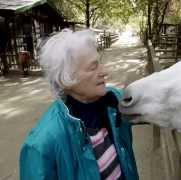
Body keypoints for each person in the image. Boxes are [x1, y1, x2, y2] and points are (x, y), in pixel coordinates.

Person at [19, 29, 139, 180]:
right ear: (66, 79)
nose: (105, 71)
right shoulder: (41, 146)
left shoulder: (114, 101)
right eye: (93, 67)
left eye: (100, 63)